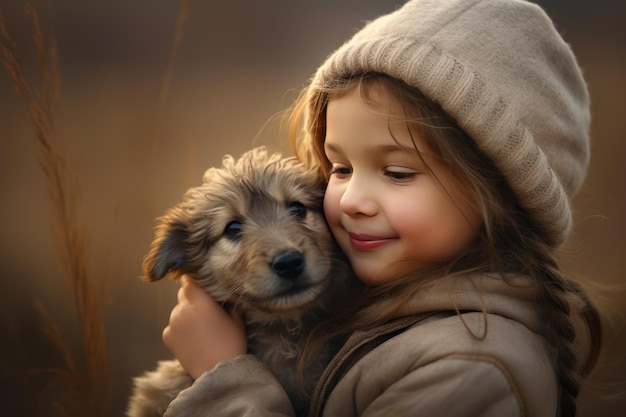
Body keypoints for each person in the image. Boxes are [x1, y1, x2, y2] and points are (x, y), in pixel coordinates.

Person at [160, 0, 603, 416]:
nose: (351, 201)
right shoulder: (373, 309)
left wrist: (225, 378)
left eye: (396, 173)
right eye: (340, 168)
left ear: (498, 194)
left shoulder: (471, 365)